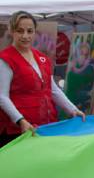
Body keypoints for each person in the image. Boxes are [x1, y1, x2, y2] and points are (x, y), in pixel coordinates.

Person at [0, 10, 85, 147]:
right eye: (20, 31)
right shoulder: (5, 59)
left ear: (35, 32)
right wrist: (20, 120)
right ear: (12, 31)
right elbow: (2, 96)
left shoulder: (42, 58)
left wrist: (72, 109)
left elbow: (52, 89)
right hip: (17, 131)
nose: (25, 36)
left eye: (29, 31)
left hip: (44, 127)